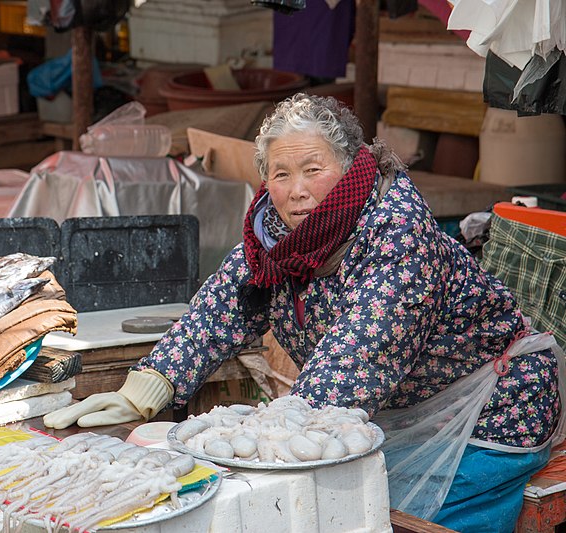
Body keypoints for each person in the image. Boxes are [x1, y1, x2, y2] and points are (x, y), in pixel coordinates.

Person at [44, 94, 564, 532]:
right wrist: (148, 387)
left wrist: (268, 439)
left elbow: (361, 356)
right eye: (280, 173)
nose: (297, 191)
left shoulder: (399, 233)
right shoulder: (273, 235)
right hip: (394, 412)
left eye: (313, 170)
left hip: (490, 410)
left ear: (351, 168)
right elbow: (225, 303)